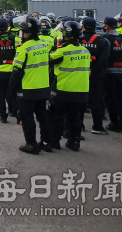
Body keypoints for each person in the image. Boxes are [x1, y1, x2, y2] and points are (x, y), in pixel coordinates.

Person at [7, 16, 52, 154]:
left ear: (26, 33)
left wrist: (10, 89)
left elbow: (16, 71)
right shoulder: (45, 46)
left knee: (27, 117)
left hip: (27, 89)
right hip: (43, 88)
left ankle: (31, 144)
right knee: (43, 116)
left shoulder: (24, 48)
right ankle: (46, 142)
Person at [49, 21, 91, 151]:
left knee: (57, 117)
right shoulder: (85, 51)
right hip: (81, 91)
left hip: (63, 90)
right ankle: (74, 142)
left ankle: (55, 142)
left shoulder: (62, 52)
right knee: (76, 117)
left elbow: (49, 59)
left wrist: (58, 46)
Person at [103, 16, 122, 133]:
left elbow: (105, 56)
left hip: (110, 72)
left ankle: (115, 123)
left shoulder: (105, 39)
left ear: (107, 26)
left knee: (111, 99)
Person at [80, 17, 110, 134]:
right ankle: (97, 126)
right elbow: (104, 61)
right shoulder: (103, 41)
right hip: (96, 76)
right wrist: (94, 70)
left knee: (80, 101)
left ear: (82, 26)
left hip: (79, 75)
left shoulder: (77, 39)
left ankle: (79, 125)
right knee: (96, 101)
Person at [0, 17, 19, 123]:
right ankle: (14, 112)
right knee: (13, 93)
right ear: (8, 27)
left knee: (1, 95)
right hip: (13, 71)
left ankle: (3, 116)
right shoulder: (17, 40)